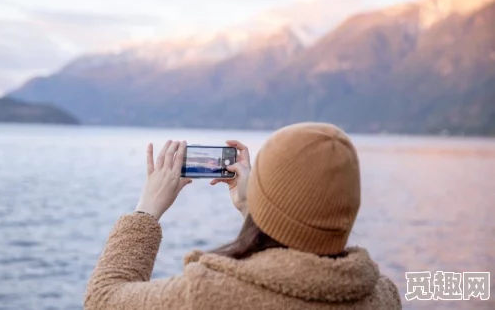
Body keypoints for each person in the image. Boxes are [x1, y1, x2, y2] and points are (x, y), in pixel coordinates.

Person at [84, 122, 402, 309]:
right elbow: (302, 243)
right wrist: (256, 212)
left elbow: (103, 300)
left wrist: (146, 211)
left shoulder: (212, 295)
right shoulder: (382, 296)